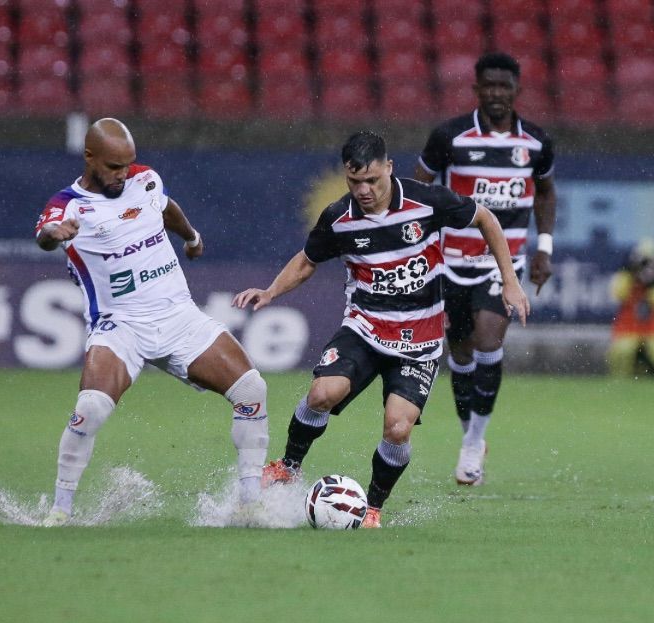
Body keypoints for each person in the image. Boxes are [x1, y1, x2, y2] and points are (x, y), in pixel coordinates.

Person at [233, 131, 529, 528]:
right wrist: (271, 291)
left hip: (419, 342)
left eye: (373, 180)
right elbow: (307, 260)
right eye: (355, 182)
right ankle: (288, 465)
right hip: (365, 329)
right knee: (322, 392)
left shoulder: (427, 200)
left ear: (389, 168)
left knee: (398, 426)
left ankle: (372, 508)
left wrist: (509, 280)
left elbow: (485, 218)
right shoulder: (339, 217)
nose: (365, 190)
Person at [35, 118, 269, 526]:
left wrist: (192, 237)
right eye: (113, 167)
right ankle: (60, 511)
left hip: (178, 317)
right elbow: (44, 233)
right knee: (90, 408)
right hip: (120, 326)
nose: (122, 174)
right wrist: (56, 232)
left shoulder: (144, 180)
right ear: (90, 158)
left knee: (252, 389)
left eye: (127, 164)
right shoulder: (68, 205)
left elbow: (164, 208)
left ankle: (250, 504)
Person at [415, 52, 556, 486]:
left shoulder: (535, 142)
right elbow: (418, 187)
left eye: (504, 87)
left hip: (503, 263)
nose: (497, 93)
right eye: (489, 86)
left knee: (488, 339)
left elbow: (546, 193)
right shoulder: (450, 137)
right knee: (458, 353)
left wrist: (543, 248)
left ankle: (474, 442)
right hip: (451, 263)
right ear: (476, 90)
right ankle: (469, 433)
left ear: (516, 91)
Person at [606, 238, 654, 383]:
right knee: (622, 353)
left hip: (653, 335)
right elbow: (617, 293)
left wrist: (653, 285)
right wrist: (630, 272)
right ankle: (619, 385)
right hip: (627, 334)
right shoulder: (627, 279)